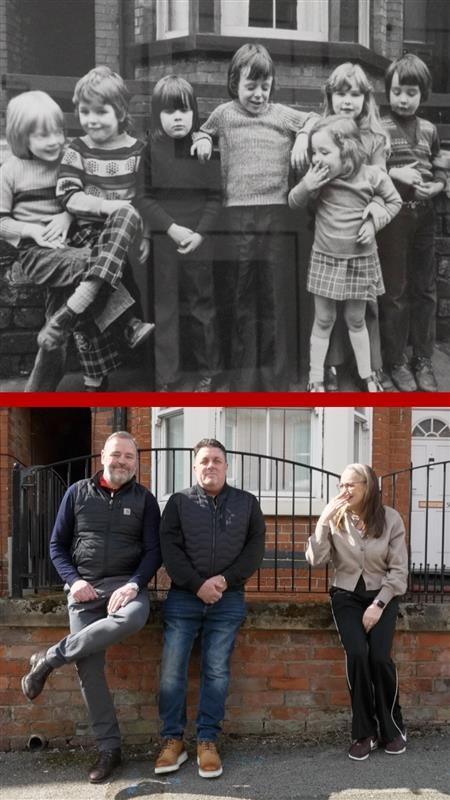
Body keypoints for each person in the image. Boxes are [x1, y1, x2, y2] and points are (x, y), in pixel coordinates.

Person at [20, 431, 161, 784]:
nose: (123, 462)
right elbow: (56, 545)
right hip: (84, 590)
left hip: (125, 588)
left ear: (136, 462)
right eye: (117, 455)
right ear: (103, 456)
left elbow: (154, 552)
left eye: (130, 457)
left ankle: (49, 658)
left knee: (132, 619)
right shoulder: (77, 493)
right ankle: (110, 748)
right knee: (89, 668)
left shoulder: (145, 500)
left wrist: (133, 585)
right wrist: (75, 580)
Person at [0, 90, 146, 392]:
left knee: (58, 324)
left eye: (58, 131)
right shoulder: (10, 171)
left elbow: (75, 197)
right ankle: (128, 322)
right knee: (98, 263)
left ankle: (37, 393)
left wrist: (67, 215)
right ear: (20, 137)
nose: (54, 140)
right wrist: (31, 230)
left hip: (72, 244)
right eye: (42, 136)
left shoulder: (67, 157)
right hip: (39, 252)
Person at [192, 43, 317, 391]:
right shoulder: (224, 114)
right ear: (235, 83)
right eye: (250, 86)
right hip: (236, 217)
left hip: (276, 215)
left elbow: (313, 119)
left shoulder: (280, 115)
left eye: (265, 86)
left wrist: (303, 137)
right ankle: (245, 380)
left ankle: (275, 380)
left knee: (274, 295)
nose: (258, 94)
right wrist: (203, 139)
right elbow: (201, 130)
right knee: (241, 295)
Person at [155, 438, 265, 779]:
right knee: (172, 671)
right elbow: (169, 549)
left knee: (216, 670)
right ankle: (173, 740)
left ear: (227, 466)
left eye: (217, 460)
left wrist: (223, 581)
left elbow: (254, 550)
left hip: (227, 598)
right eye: (204, 460)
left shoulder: (247, 503)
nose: (210, 466)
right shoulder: (178, 502)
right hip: (184, 597)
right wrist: (197, 584)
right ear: (195, 466)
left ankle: (207, 740)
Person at [54, 66, 154, 391]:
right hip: (88, 235)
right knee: (93, 274)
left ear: (121, 111)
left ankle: (93, 380)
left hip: (124, 236)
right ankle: (125, 328)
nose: (91, 119)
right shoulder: (77, 149)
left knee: (125, 215)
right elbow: (69, 195)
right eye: (84, 111)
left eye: (101, 111)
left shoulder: (138, 151)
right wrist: (108, 206)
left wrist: (149, 233)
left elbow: (147, 198)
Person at [288, 115, 402, 392]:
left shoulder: (373, 175)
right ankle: (315, 379)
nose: (317, 158)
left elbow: (395, 201)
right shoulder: (320, 178)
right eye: (315, 152)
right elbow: (293, 202)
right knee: (324, 320)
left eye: (324, 152)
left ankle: (368, 375)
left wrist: (375, 221)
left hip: (360, 260)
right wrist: (307, 185)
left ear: (347, 150)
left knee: (356, 320)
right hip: (326, 259)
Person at [305, 463, 408, 761]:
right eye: (341, 486)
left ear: (369, 487)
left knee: (379, 657)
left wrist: (378, 604)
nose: (344, 491)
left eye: (351, 485)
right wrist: (323, 521)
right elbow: (316, 559)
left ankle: (393, 726)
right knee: (358, 655)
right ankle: (364, 732)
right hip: (346, 596)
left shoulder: (390, 519)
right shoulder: (336, 518)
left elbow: (399, 571)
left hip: (382, 595)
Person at [135, 75, 222, 392]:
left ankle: (208, 373)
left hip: (200, 241)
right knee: (166, 310)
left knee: (203, 308)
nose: (177, 118)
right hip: (165, 240)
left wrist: (199, 234)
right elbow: (143, 197)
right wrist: (170, 228)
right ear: (157, 114)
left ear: (194, 113)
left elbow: (215, 198)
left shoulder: (203, 149)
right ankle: (167, 378)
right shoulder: (150, 150)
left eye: (184, 111)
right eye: (170, 112)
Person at [319, 63, 392, 391]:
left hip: (363, 231)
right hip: (330, 229)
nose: (347, 100)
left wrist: (375, 213)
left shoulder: (375, 137)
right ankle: (332, 366)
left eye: (354, 94)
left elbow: (382, 184)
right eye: (340, 93)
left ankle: (370, 369)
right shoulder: (322, 128)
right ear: (330, 96)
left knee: (364, 306)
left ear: (366, 98)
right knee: (329, 305)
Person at [377, 53, 446, 392]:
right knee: (395, 292)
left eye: (411, 93)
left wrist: (440, 184)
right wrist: (393, 173)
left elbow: (437, 164)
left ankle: (422, 358)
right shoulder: (380, 126)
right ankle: (395, 360)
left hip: (425, 215)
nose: (403, 99)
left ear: (423, 94)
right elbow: (369, 165)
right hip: (394, 216)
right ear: (387, 92)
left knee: (425, 290)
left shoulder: (430, 130)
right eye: (397, 91)